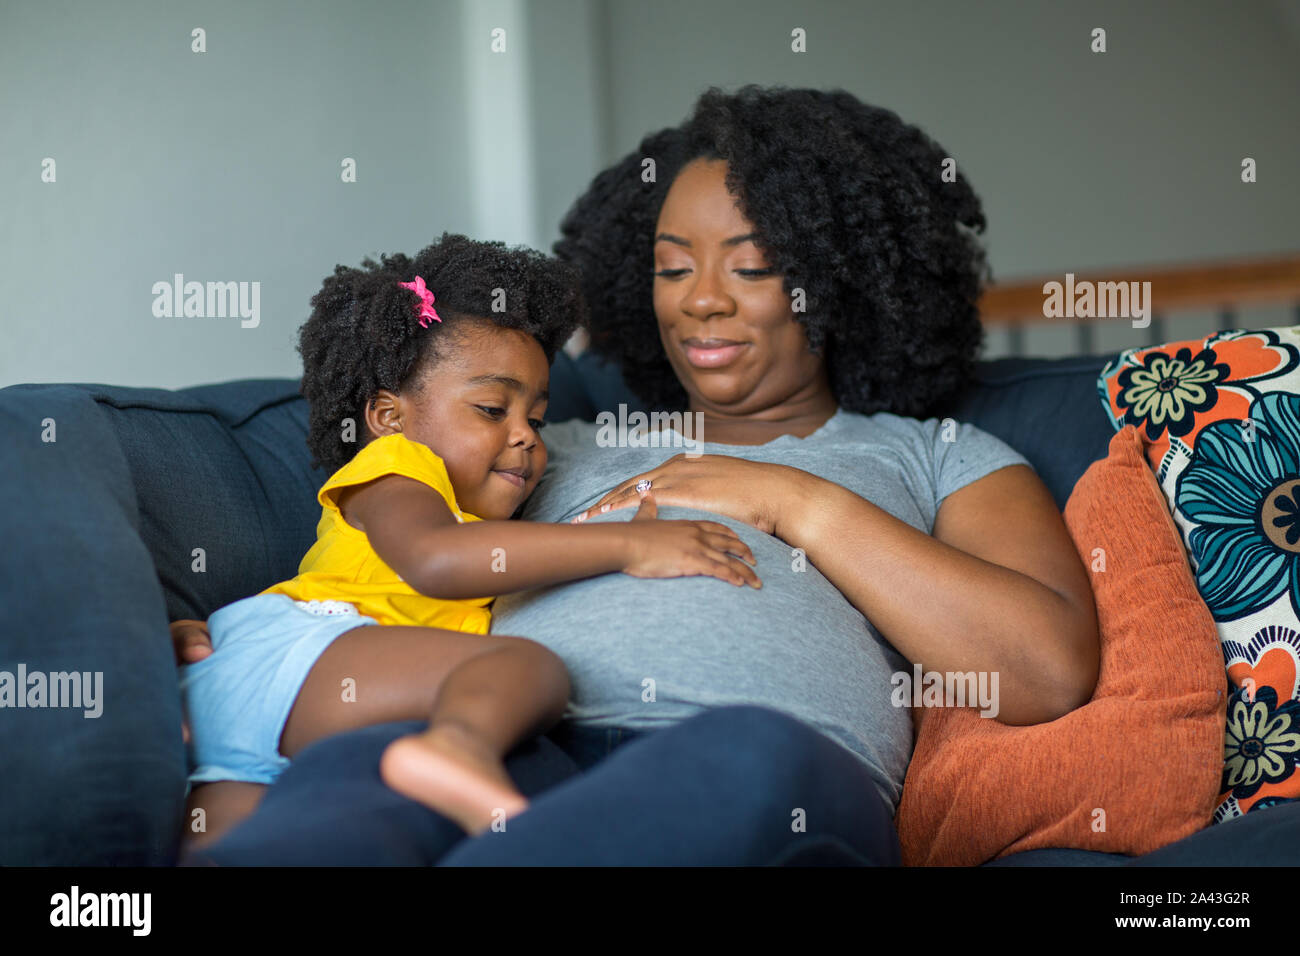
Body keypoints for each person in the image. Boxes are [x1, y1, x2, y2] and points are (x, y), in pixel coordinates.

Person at [173, 85, 1100, 866]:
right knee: (354, 780)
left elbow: (1043, 671)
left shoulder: (935, 455)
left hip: (766, 765)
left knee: (748, 757)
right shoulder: (535, 439)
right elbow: (392, 563)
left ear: (843, 278)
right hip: (503, 743)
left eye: (755, 266)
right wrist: (236, 639)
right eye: (669, 267)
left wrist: (789, 498)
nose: (700, 298)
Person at [177, 233, 760, 850]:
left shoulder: (475, 512)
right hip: (305, 651)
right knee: (522, 666)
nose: (526, 438)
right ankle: (458, 746)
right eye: (490, 409)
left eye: (534, 418)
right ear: (388, 416)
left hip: (259, 724)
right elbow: (436, 561)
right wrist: (627, 547)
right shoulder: (397, 470)